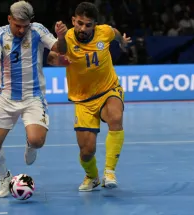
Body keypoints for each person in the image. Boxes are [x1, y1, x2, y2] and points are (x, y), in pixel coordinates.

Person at [0, 0, 67, 198]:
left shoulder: (38, 30)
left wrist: (61, 36)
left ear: (31, 22)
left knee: (37, 140)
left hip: (33, 96)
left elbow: (61, 49)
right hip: (6, 97)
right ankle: (5, 177)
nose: (21, 30)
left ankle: (31, 145)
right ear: (9, 19)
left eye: (25, 26)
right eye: (17, 26)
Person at [47, 2, 131, 191]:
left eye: (88, 25)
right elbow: (52, 56)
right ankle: (92, 177)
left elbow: (115, 33)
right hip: (83, 100)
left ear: (95, 25)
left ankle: (110, 171)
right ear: (73, 21)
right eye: (79, 23)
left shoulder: (105, 32)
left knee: (115, 117)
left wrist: (122, 41)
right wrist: (59, 60)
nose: (83, 28)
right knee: (86, 151)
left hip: (108, 89)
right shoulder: (66, 37)